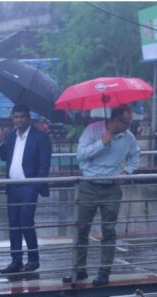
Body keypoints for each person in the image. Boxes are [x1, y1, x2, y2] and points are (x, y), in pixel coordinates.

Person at [64, 104, 140, 287]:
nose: (129, 126)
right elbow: (81, 155)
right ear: (115, 120)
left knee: (109, 230)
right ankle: (78, 269)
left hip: (111, 188)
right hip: (89, 185)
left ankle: (104, 272)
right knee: (81, 229)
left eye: (130, 123)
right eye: (126, 123)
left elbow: (136, 155)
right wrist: (102, 143)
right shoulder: (92, 130)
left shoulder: (128, 137)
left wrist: (126, 173)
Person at [0, 104, 52, 275]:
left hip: (29, 186)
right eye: (16, 117)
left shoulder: (40, 137)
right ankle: (16, 261)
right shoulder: (11, 136)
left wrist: (35, 186)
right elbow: (5, 157)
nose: (19, 120)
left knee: (26, 223)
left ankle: (33, 260)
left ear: (28, 118)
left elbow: (44, 165)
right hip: (12, 186)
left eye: (22, 116)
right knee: (13, 225)